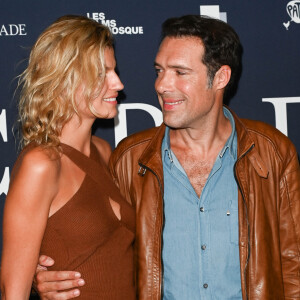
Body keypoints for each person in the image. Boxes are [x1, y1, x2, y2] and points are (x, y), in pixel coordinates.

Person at [34, 15, 300, 299]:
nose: (162, 85)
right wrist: (40, 279)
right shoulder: (129, 159)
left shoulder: (272, 151)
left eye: (180, 72)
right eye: (159, 70)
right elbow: (103, 249)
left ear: (220, 77)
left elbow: (293, 263)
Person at [0, 15, 136, 300]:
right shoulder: (41, 164)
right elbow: (13, 291)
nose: (118, 83)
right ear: (64, 80)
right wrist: (36, 282)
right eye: (103, 74)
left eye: (114, 71)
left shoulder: (102, 150)